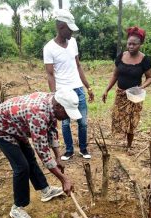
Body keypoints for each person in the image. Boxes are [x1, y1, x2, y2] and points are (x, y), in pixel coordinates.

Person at [0, 89, 81, 218]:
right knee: (22, 167)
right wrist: (64, 179)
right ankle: (17, 208)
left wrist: (58, 157)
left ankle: (45, 190)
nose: (67, 117)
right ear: (58, 106)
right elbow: (43, 152)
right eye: (66, 112)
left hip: (17, 126)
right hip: (0, 127)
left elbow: (52, 130)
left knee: (30, 157)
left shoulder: (52, 104)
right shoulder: (38, 114)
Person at [43, 9, 94, 161]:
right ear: (61, 27)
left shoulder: (73, 43)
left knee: (83, 122)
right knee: (65, 123)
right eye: (70, 29)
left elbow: (78, 66)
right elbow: (50, 74)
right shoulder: (49, 48)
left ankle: (83, 149)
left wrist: (88, 87)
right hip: (63, 92)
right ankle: (69, 150)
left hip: (77, 88)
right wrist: (55, 96)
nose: (72, 32)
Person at [102, 26, 151, 153]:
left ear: (140, 44)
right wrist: (106, 90)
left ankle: (129, 145)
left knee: (132, 120)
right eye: (129, 43)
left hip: (134, 96)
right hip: (120, 94)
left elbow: (150, 78)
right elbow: (115, 75)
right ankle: (119, 139)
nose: (130, 46)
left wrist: (139, 88)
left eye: (134, 44)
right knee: (118, 117)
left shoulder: (145, 60)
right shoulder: (121, 56)